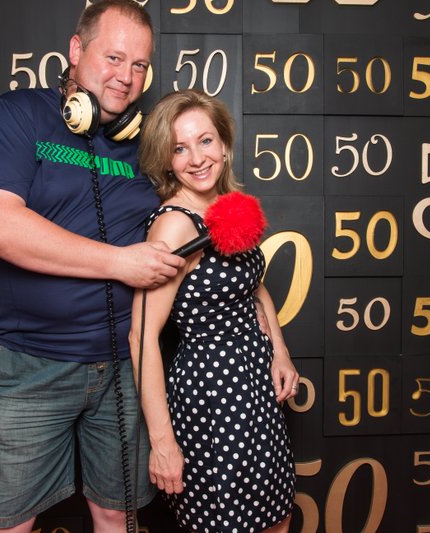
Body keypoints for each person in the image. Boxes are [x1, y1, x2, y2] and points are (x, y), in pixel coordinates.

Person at [0, 2, 185, 532]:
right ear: (76, 50)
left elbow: (206, 213)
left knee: (116, 514)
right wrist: (120, 263)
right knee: (6, 525)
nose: (126, 76)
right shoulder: (19, 114)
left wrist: (267, 324)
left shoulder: (145, 143)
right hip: (28, 365)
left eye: (139, 65)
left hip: (125, 369)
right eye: (114, 58)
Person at [129, 89, 298, 533]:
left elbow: (253, 286)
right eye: (179, 148)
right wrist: (162, 442)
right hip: (213, 399)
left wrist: (279, 351)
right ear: (167, 160)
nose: (197, 158)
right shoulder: (175, 225)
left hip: (257, 389)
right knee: (227, 522)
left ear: (223, 144)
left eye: (205, 141)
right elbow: (141, 337)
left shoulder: (227, 207)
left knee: (276, 517)